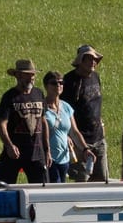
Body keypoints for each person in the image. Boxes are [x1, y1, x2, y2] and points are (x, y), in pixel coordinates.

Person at [0, 58, 49, 184]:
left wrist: (47, 149)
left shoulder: (39, 93)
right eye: (27, 75)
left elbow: (43, 121)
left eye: (33, 74)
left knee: (41, 190)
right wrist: (9, 145)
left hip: (37, 153)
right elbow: (2, 123)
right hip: (15, 153)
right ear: (18, 75)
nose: (31, 78)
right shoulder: (10, 96)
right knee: (4, 188)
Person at [61, 44, 106, 181]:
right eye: (89, 59)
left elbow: (96, 104)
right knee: (83, 181)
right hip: (80, 141)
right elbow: (64, 111)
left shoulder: (95, 77)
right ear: (80, 61)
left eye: (95, 59)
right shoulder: (69, 81)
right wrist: (71, 138)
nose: (93, 62)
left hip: (99, 138)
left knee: (102, 180)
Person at [41, 70, 88, 184]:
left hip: (64, 158)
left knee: (61, 186)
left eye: (61, 83)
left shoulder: (66, 107)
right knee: (54, 187)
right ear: (46, 86)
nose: (58, 85)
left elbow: (75, 132)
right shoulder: (41, 107)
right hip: (49, 158)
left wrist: (85, 149)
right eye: (54, 83)